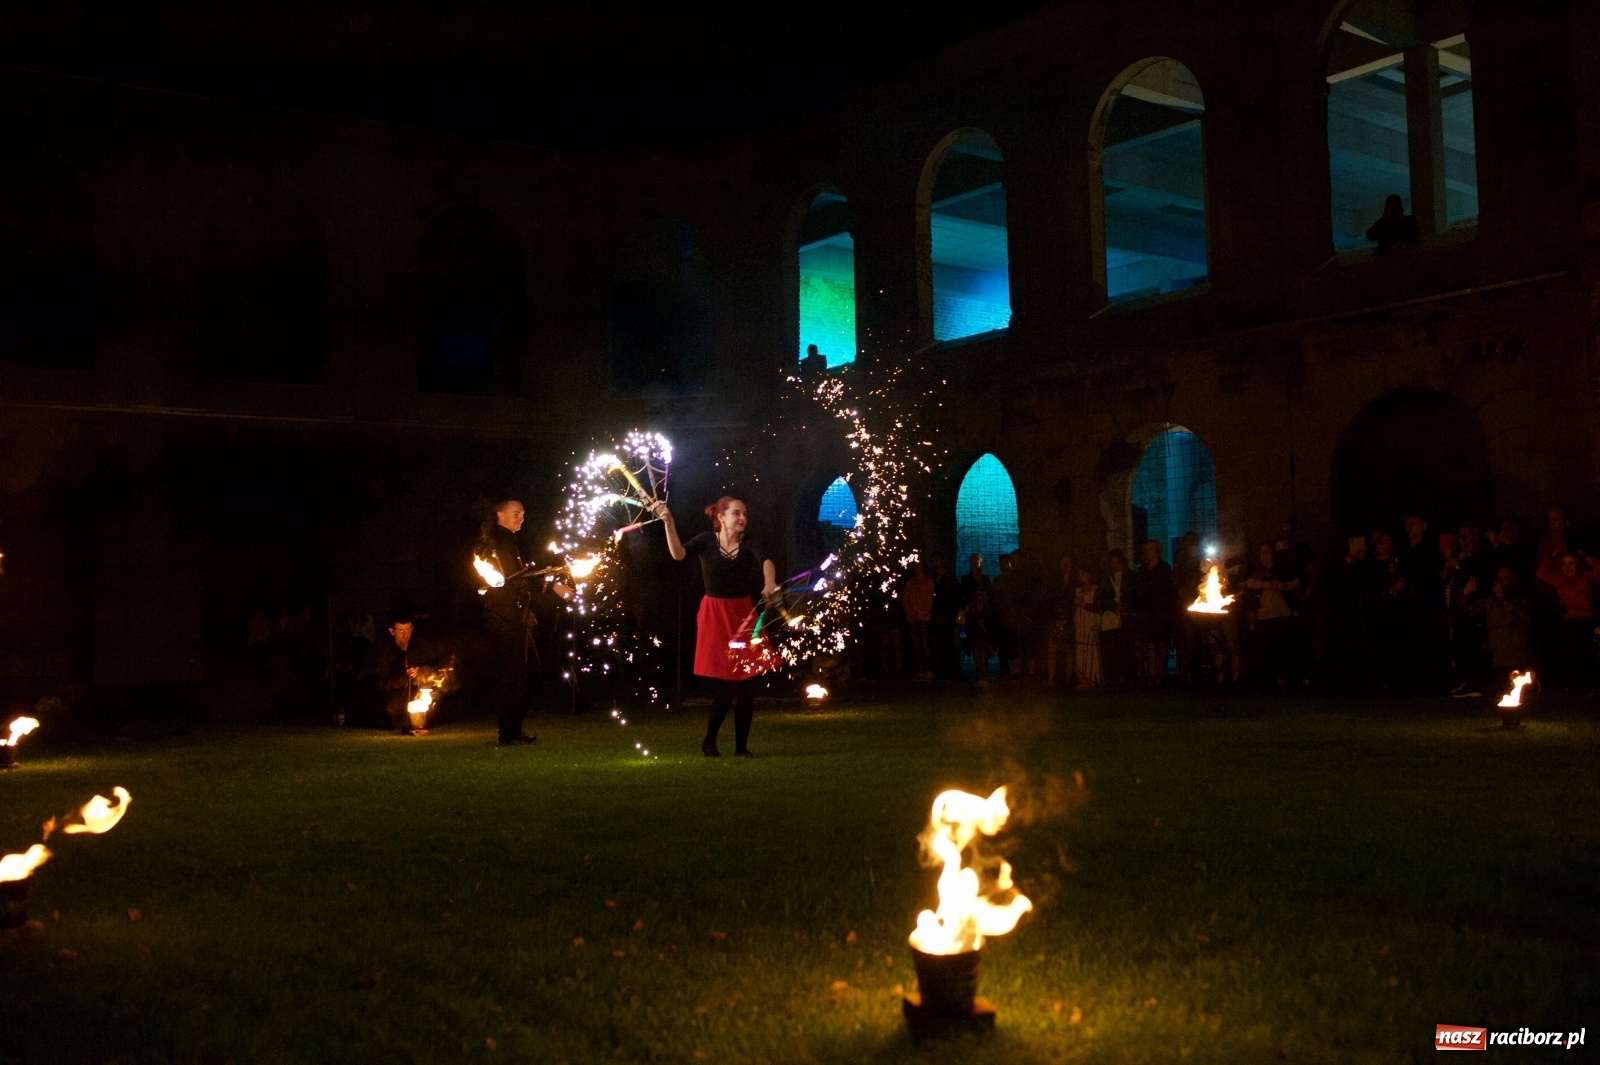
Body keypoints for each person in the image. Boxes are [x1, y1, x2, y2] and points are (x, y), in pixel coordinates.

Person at [654, 496, 778, 756]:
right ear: (721, 517)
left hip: (742, 614)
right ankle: (711, 740)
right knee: (734, 681)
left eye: (744, 513)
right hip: (715, 614)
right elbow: (678, 554)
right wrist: (668, 522)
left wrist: (769, 582)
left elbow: (766, 559)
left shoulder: (749, 542)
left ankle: (740, 748)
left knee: (746, 682)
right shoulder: (705, 540)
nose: (742, 517)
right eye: (736, 513)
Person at [476, 499, 570, 747]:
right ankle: (508, 733)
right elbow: (515, 580)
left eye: (523, 514)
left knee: (526, 671)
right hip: (506, 616)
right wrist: (551, 585)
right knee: (514, 675)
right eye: (516, 513)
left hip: (513, 615)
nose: (521, 518)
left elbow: (519, 577)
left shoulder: (506, 541)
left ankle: (513, 729)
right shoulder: (501, 542)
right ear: (500, 515)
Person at [1535, 549, 1600, 695]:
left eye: (1571, 563)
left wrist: (1585, 557)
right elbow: (1540, 573)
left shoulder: (1585, 577)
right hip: (1569, 622)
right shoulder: (1559, 580)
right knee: (1570, 654)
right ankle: (1574, 686)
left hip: (1586, 621)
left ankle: (1590, 685)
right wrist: (1550, 557)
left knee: (1586, 653)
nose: (1568, 566)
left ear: (1577, 565)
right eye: (1565, 563)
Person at [1245, 540, 1300, 690]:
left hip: (1282, 614)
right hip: (1264, 616)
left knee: (1283, 648)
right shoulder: (1257, 571)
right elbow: (1248, 583)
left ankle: (1284, 679)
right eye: (1262, 552)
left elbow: (1296, 582)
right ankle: (1269, 680)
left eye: (1268, 552)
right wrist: (1263, 584)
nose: (1265, 555)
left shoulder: (1282, 569)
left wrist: (1284, 586)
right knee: (1266, 650)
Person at [1133, 540, 1173, 687]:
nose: (1146, 552)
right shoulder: (1142, 569)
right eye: (1145, 550)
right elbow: (1138, 589)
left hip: (1159, 612)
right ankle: (1142, 673)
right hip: (1145, 612)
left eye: (1149, 549)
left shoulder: (1164, 568)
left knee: (1160, 643)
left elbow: (1161, 589)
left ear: (1157, 551)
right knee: (1141, 643)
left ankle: (1160, 673)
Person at [376, 614, 420, 732]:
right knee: (392, 709)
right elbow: (384, 684)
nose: (405, 634)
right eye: (401, 630)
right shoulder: (386, 654)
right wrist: (404, 679)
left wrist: (420, 673)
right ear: (392, 631)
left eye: (408, 630)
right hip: (395, 696)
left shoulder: (417, 648)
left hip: (415, 693)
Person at [1098, 549, 1132, 686]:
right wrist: (1113, 606)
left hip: (1126, 616)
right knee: (1112, 646)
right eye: (1112, 562)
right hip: (1111, 616)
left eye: (1117, 562)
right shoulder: (1107, 578)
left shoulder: (1130, 576)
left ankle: (1126, 674)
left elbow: (1132, 594)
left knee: (1125, 646)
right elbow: (1104, 597)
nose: (1115, 565)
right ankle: (1112, 674)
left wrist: (1124, 605)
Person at [1045, 552, 1076, 689]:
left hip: (1070, 619)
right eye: (1063, 562)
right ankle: (1051, 680)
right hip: (1056, 619)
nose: (1065, 565)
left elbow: (1075, 602)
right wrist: (1055, 619)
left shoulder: (1075, 582)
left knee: (1070, 650)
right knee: (1052, 649)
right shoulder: (1054, 582)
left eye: (1068, 562)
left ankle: (1068, 680)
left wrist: (1069, 619)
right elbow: (1049, 601)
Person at [928, 552, 961, 679]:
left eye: (937, 559)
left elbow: (956, 595)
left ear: (942, 560)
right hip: (936, 615)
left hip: (947, 615)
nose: (935, 562)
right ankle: (942, 671)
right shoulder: (933, 577)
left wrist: (953, 612)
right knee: (938, 644)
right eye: (933, 560)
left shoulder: (949, 576)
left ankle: (952, 672)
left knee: (948, 644)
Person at [902, 559, 936, 681]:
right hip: (913, 618)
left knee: (926, 645)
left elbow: (929, 601)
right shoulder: (910, 583)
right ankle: (921, 669)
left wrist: (922, 613)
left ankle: (929, 669)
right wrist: (910, 612)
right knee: (917, 646)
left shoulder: (928, 582)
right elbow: (906, 599)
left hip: (924, 618)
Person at [1072, 566, 1103, 689]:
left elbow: (1097, 608)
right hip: (1080, 622)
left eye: (1083, 574)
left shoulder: (1095, 589)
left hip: (1090, 621)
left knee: (1091, 649)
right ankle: (1082, 677)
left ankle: (1092, 677)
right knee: (1081, 648)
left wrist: (1083, 604)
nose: (1081, 577)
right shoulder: (1078, 590)